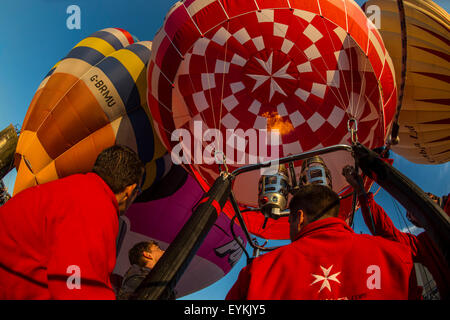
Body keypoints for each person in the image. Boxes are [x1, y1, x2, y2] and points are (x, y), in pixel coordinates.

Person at [226, 184, 420, 300]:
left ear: (299, 217)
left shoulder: (258, 271)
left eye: (291, 221)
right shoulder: (396, 255)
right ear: (335, 215)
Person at [0, 145, 144, 299]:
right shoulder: (95, 205)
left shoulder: (70, 190)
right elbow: (78, 289)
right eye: (138, 193)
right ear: (130, 191)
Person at [343, 165, 450, 300]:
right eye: (411, 214)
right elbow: (386, 232)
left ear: (430, 198)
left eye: (414, 207)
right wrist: (361, 193)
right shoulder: (423, 243)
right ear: (419, 224)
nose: (413, 211)